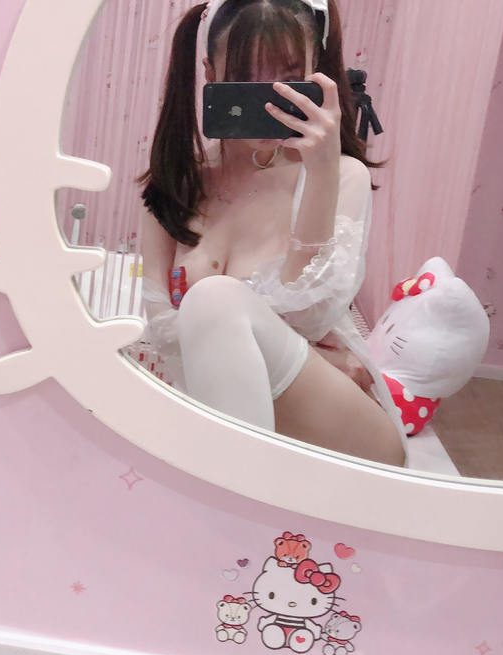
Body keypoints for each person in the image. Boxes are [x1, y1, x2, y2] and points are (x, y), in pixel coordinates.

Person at [137, 0, 406, 467]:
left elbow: (313, 313)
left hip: (339, 434)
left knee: (214, 298)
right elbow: (163, 329)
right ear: (210, 74)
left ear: (316, 75)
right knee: (212, 303)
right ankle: (240, 494)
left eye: (288, 79)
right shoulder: (179, 182)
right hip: (234, 419)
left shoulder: (342, 176)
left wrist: (320, 175)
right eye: (245, 78)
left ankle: (238, 493)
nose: (268, 99)